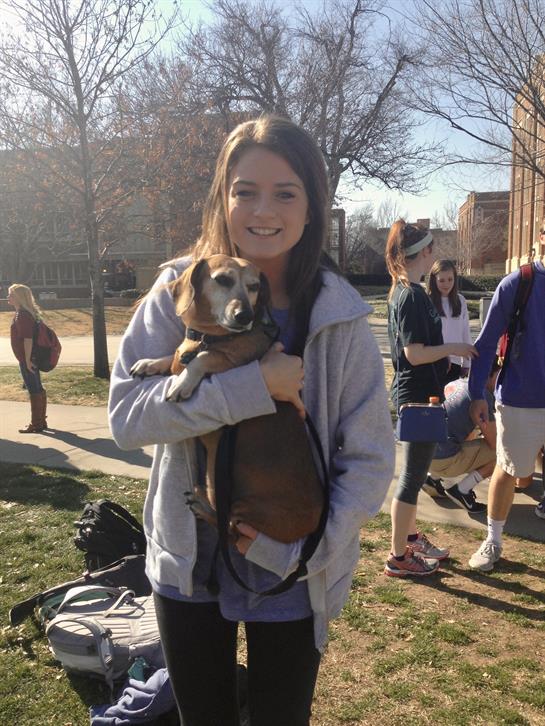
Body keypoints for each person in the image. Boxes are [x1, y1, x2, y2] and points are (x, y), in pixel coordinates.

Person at [108, 115, 395, 726]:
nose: (263, 210)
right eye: (245, 191)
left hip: (293, 567)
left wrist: (309, 552)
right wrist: (252, 387)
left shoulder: (339, 316)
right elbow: (128, 419)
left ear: (313, 207)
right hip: (189, 559)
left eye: (285, 193)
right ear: (223, 196)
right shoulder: (177, 289)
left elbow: (370, 458)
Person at [384, 220, 477, 578]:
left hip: (422, 393)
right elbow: (413, 353)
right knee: (411, 477)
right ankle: (398, 557)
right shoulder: (410, 294)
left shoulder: (409, 291)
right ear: (422, 252)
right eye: (431, 248)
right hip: (416, 395)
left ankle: (408, 539)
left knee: (415, 472)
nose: (434, 254)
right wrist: (455, 348)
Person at [468, 259, 545, 572]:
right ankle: (493, 540)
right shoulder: (519, 282)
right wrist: (475, 394)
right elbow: (486, 343)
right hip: (519, 398)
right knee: (509, 468)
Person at [427, 361, 501, 513]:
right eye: (500, 377)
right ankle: (462, 490)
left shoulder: (456, 383)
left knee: (464, 437)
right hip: (444, 459)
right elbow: (494, 443)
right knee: (503, 454)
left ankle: (432, 478)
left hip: (424, 455)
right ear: (488, 375)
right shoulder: (482, 396)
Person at [8, 283, 48, 433]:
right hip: (30, 358)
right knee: (37, 387)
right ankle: (41, 421)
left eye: (11, 295)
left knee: (33, 389)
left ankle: (36, 424)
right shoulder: (26, 313)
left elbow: (27, 339)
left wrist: (27, 360)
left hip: (28, 359)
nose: (8, 297)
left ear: (19, 298)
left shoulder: (22, 315)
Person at [428, 259, 473, 383]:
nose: (446, 284)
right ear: (433, 280)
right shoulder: (427, 301)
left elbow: (465, 332)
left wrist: (467, 363)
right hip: (434, 361)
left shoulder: (460, 301)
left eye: (450, 279)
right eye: (441, 280)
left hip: (456, 362)